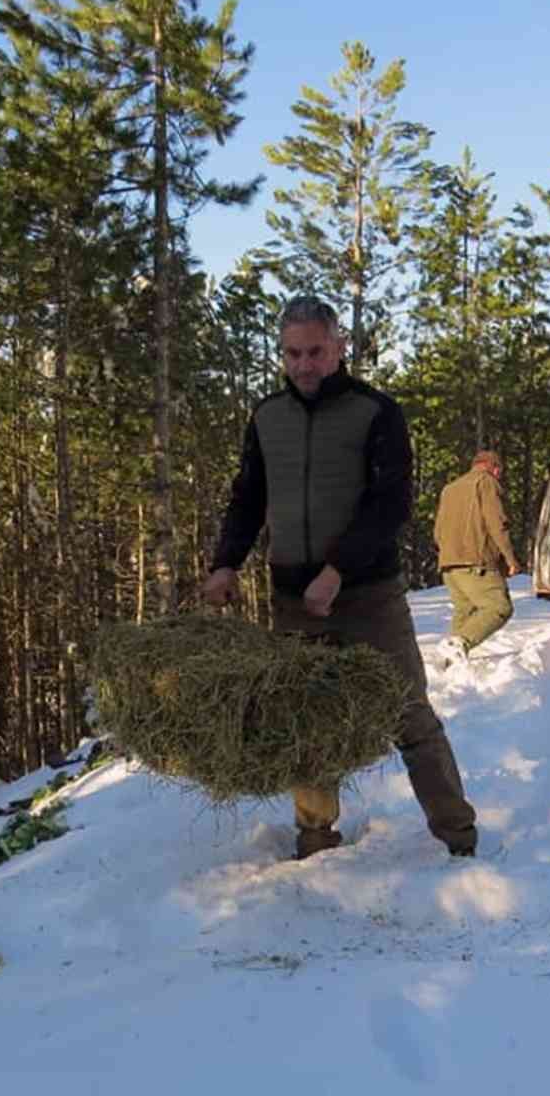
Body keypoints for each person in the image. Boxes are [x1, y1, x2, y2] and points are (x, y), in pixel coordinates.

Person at [200, 297, 478, 862]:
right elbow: (248, 497)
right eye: (292, 353)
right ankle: (315, 836)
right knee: (303, 719)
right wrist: (226, 562)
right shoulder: (266, 416)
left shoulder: (375, 412)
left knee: (410, 714)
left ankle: (458, 837)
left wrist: (337, 571)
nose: (303, 364)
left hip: (369, 596)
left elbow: (391, 503)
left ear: (339, 347)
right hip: (292, 599)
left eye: (315, 352)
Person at [432, 450, 521, 667]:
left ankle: (448, 666)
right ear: (495, 468)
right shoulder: (486, 482)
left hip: (449, 565)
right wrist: (510, 558)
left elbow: (437, 531)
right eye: (500, 472)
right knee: (499, 607)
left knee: (466, 612)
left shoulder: (450, 488)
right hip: (475, 562)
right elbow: (496, 523)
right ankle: (460, 643)